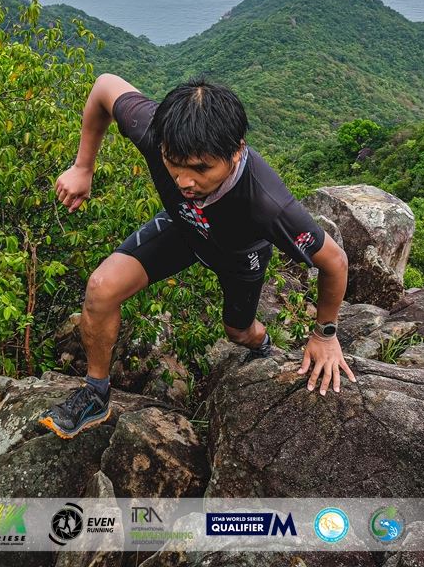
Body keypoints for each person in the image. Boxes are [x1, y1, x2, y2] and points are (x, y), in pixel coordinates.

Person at [39, 73, 355, 439]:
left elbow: (335, 262)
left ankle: (262, 343)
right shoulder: (155, 131)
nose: (184, 181)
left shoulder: (267, 204)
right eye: (174, 163)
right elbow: (104, 87)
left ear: (237, 151)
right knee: (101, 287)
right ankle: (96, 394)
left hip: (239, 255)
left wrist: (326, 334)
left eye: (202, 169)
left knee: (238, 332)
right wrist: (83, 167)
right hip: (184, 226)